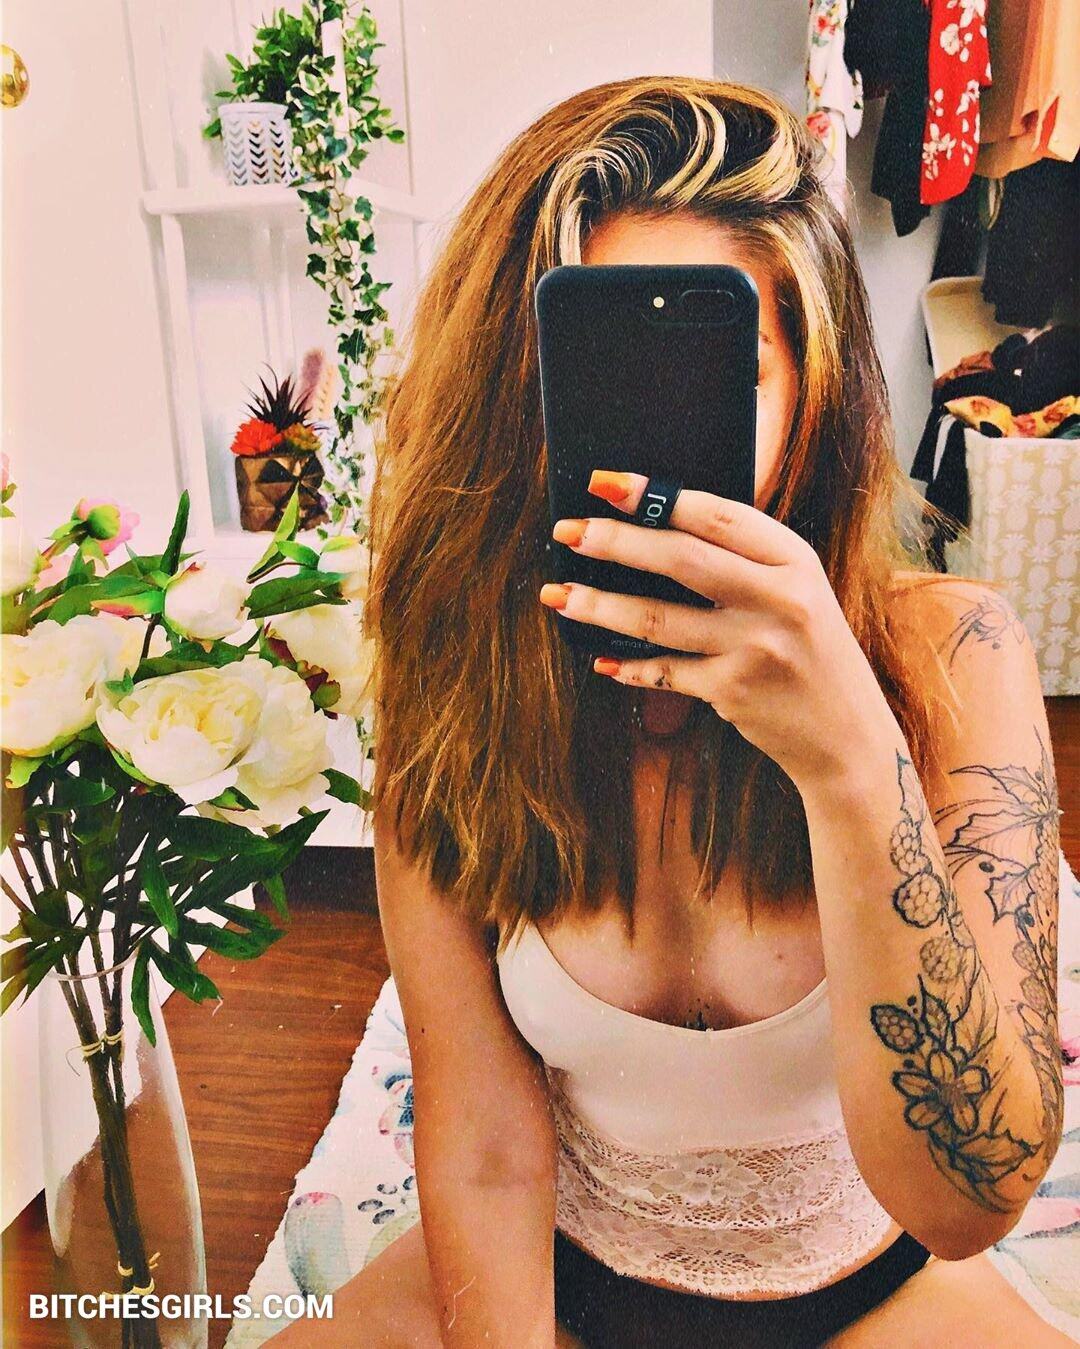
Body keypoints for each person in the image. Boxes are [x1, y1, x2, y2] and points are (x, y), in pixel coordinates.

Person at [270, 76, 1068, 1347]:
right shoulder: (455, 684)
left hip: (878, 1280)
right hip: (563, 1267)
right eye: (590, 376)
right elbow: (482, 1148)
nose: (641, 452)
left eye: (717, 373)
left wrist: (850, 760)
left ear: (815, 394)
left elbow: (970, 1200)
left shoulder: (950, 657)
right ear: (507, 397)